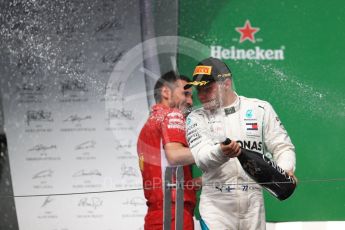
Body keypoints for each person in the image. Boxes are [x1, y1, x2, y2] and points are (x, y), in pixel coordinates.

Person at [184, 57, 297, 230]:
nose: (201, 96)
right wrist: (222, 152)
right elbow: (201, 159)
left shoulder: (260, 109)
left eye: (208, 88)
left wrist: (284, 171)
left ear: (226, 84)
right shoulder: (196, 118)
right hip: (216, 208)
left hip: (254, 205)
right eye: (198, 90)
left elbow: (282, 147)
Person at [137, 70, 199, 230]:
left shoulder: (148, 126)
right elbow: (175, 156)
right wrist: (217, 151)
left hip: (156, 216)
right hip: (174, 215)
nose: (190, 101)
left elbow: (165, 177)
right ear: (166, 92)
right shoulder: (172, 114)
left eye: (191, 96)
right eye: (185, 94)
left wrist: (201, 182)